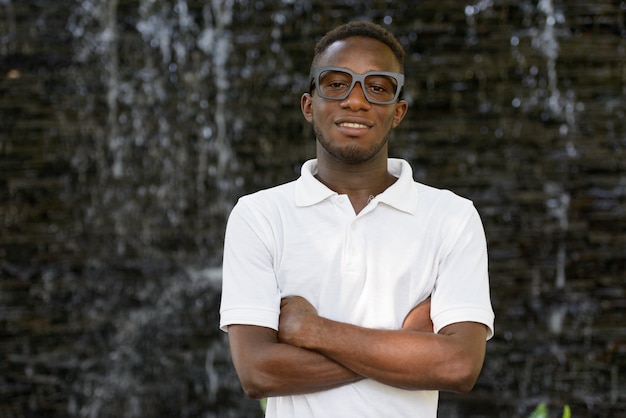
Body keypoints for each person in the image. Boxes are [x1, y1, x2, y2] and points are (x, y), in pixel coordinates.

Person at [219, 21, 494, 417]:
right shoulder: (259, 216)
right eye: (336, 84)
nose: (355, 101)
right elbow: (258, 373)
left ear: (398, 112)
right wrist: (405, 348)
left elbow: (458, 366)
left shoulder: (452, 217)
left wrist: (311, 331)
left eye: (377, 87)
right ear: (308, 105)